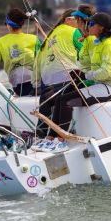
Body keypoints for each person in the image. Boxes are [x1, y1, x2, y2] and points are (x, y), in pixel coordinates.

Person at [32, 12, 111, 153]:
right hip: (99, 85)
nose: (87, 26)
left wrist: (84, 74)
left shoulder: (109, 45)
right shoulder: (94, 42)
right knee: (59, 99)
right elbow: (84, 64)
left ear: (100, 28)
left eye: (91, 24)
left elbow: (105, 73)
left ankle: (61, 140)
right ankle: (50, 138)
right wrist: (80, 69)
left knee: (66, 101)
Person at [33, 8, 82, 139]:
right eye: (77, 20)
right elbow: (86, 52)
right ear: (67, 20)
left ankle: (41, 135)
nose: (79, 23)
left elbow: (38, 60)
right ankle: (60, 136)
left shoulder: (49, 35)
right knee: (65, 99)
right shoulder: (73, 31)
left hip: (46, 80)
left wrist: (35, 82)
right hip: (64, 77)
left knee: (47, 100)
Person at [0, 8, 39, 96]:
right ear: (22, 24)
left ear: (8, 25)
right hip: (35, 78)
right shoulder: (34, 38)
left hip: (17, 79)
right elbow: (41, 58)